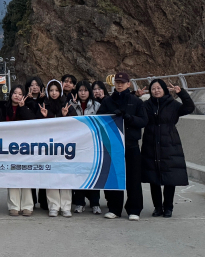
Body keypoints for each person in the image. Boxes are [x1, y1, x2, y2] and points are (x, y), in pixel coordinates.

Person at [97, 72, 148, 221]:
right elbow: (99, 119)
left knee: (133, 178)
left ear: (128, 84)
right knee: (114, 177)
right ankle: (114, 208)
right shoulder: (107, 101)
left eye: (122, 82)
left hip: (131, 145)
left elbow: (143, 121)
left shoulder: (136, 102)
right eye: (117, 82)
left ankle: (134, 209)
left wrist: (129, 117)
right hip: (114, 145)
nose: (119, 84)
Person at [141, 79, 195, 218]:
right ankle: (157, 207)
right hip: (150, 144)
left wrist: (181, 93)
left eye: (159, 88)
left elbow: (189, 108)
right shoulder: (146, 105)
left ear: (164, 89)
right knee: (153, 178)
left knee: (170, 177)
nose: (156, 90)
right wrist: (135, 96)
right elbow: (135, 111)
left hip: (169, 143)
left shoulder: (173, 105)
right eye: (153, 88)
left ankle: (168, 207)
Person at [0, 85, 36, 216]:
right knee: (12, 175)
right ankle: (14, 205)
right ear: (11, 94)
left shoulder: (28, 107)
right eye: (15, 93)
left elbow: (33, 122)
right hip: (7, 147)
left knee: (26, 176)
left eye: (20, 93)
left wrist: (23, 108)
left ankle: (27, 205)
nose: (17, 96)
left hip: (24, 147)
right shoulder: (1, 107)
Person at [43, 80, 74, 217]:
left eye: (56, 90)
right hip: (49, 146)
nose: (54, 93)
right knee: (51, 176)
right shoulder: (44, 105)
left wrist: (65, 115)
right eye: (51, 90)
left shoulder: (67, 104)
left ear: (60, 91)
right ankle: (53, 206)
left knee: (66, 175)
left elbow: (77, 123)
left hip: (65, 146)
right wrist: (44, 116)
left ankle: (66, 206)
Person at [71, 80, 102, 214]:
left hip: (92, 145)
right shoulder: (71, 106)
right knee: (78, 174)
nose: (82, 93)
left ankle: (95, 203)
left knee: (94, 174)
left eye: (85, 90)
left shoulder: (97, 106)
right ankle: (79, 202)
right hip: (76, 146)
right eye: (80, 90)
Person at [26, 75, 50, 210]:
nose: (34, 86)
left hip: (44, 141)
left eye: (37, 84)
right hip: (29, 141)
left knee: (44, 170)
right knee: (30, 171)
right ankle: (32, 200)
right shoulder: (25, 101)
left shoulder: (46, 100)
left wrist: (41, 100)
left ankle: (44, 200)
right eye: (32, 84)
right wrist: (30, 101)